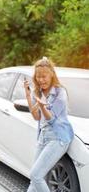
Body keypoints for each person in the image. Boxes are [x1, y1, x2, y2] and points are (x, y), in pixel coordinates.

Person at [24, 57, 74, 192]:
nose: (41, 80)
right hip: (43, 137)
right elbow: (36, 117)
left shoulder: (60, 92)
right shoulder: (39, 92)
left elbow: (52, 119)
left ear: (51, 74)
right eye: (38, 77)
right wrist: (29, 97)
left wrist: (42, 106)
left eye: (44, 76)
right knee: (34, 179)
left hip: (58, 138)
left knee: (36, 175)